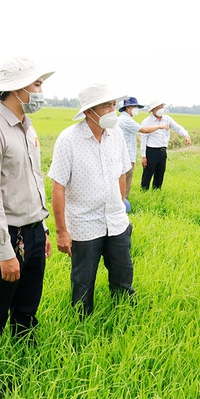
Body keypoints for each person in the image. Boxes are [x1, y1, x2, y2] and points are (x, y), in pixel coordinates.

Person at [0, 57, 53, 351]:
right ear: (17, 88)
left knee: (27, 308)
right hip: (6, 234)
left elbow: (35, 181)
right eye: (37, 84)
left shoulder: (28, 127)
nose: (41, 91)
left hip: (32, 230)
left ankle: (24, 359)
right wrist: (5, 253)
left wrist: (42, 230)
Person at [49, 83, 135, 317]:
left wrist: (120, 207)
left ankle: (124, 318)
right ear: (89, 112)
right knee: (83, 282)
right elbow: (58, 187)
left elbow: (121, 173)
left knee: (123, 275)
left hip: (116, 221)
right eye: (106, 105)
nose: (112, 109)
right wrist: (61, 232)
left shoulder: (116, 135)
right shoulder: (69, 139)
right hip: (84, 225)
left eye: (113, 104)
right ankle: (81, 323)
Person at [117, 97, 169, 201]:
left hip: (124, 154)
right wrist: (160, 127)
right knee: (125, 183)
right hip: (126, 155)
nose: (137, 109)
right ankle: (122, 205)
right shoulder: (126, 120)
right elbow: (144, 130)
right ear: (128, 108)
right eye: (135, 107)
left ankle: (121, 203)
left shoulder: (123, 119)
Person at [139, 99, 192, 190]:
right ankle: (144, 191)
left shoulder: (167, 119)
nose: (161, 109)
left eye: (162, 106)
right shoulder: (147, 122)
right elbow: (143, 139)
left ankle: (156, 192)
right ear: (153, 110)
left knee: (160, 173)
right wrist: (143, 156)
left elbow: (178, 128)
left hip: (162, 151)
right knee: (148, 173)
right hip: (151, 151)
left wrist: (186, 135)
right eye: (159, 107)